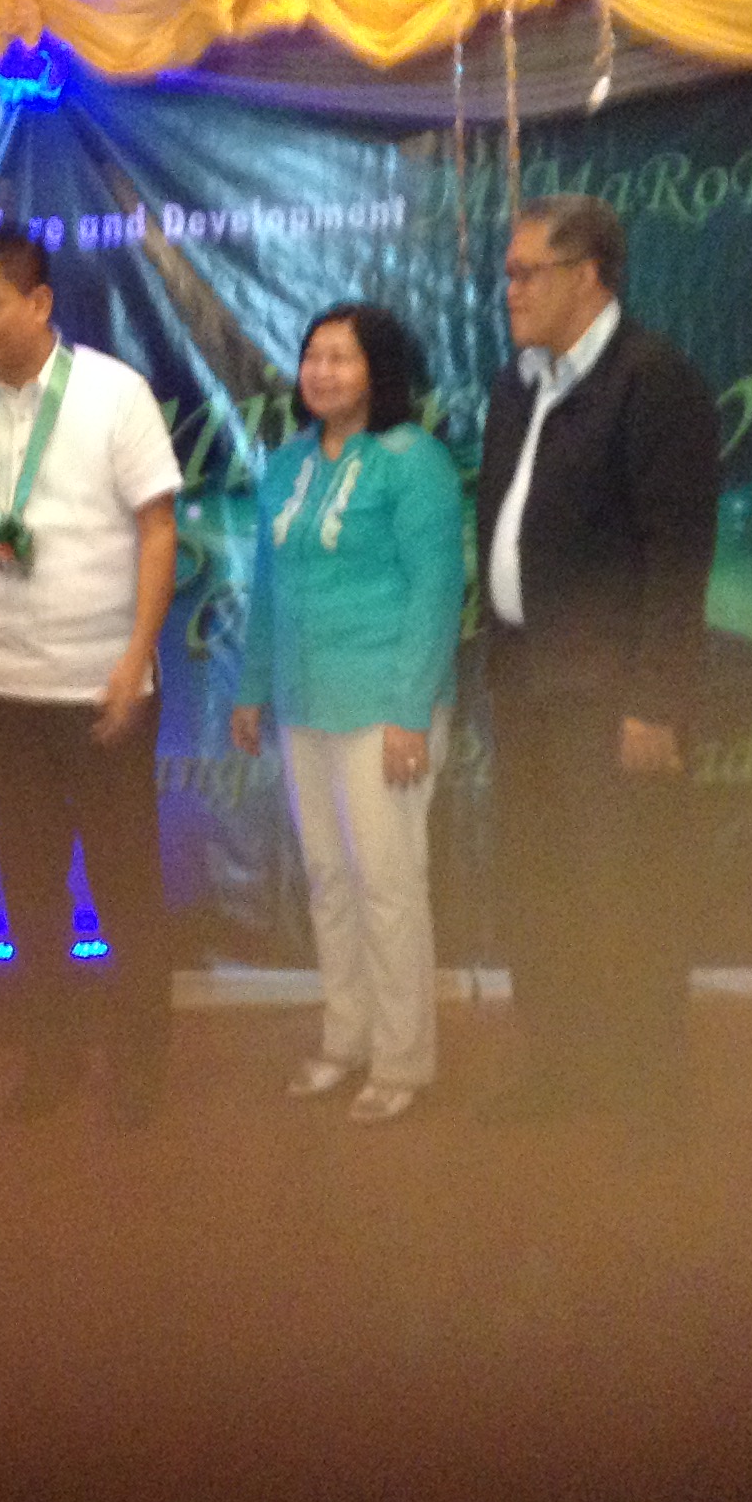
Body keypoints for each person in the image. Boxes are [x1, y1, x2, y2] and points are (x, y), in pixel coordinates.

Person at [0, 228, 183, 1128]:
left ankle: (140, 1062)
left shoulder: (114, 394)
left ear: (39, 303)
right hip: (0, 687)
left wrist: (137, 656)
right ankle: (52, 1055)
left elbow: (158, 531)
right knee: (28, 885)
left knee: (124, 883)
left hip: (103, 686)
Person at [475, 195, 720, 1128]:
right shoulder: (516, 386)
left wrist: (656, 703)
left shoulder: (654, 380)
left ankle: (649, 1095)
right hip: (526, 686)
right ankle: (559, 1073)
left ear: (588, 276)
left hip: (615, 698)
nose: (509, 291)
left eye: (526, 273)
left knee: (630, 896)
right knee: (540, 892)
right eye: (506, 274)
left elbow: (678, 557)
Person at [231, 303, 465, 1126]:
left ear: (379, 371)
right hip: (305, 704)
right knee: (330, 882)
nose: (322, 373)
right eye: (313, 357)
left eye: (342, 358)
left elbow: (437, 594)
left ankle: (402, 1060)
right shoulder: (289, 462)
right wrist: (252, 690)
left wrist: (410, 714)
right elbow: (269, 588)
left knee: (388, 885)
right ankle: (346, 1039)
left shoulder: (413, 462)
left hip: (384, 708)